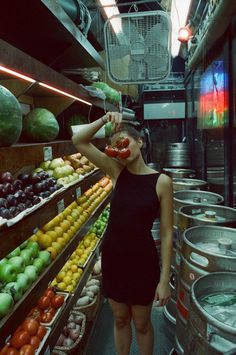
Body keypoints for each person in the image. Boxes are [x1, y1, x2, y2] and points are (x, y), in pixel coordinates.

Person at [72, 111, 173, 355]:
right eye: (115, 146)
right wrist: (105, 119)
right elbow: (79, 141)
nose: (120, 148)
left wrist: (164, 279)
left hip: (142, 261)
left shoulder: (162, 182)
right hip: (114, 257)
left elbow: (168, 233)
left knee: (142, 323)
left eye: (124, 141)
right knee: (119, 319)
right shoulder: (116, 171)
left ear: (140, 141)